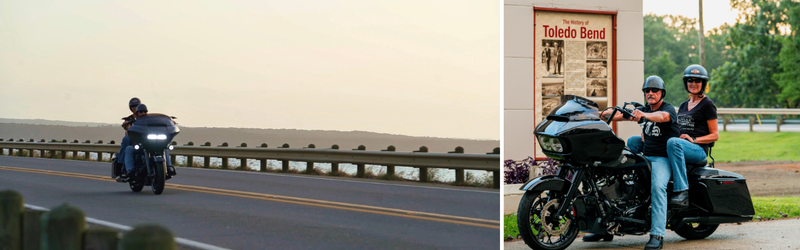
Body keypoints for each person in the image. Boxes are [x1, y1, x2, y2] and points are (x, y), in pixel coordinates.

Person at [585, 76, 680, 250]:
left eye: (654, 90)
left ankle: (657, 234)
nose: (650, 93)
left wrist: (644, 115)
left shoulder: (667, 110)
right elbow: (619, 115)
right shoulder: (643, 109)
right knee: (612, 175)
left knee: (658, 187)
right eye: (647, 91)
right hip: (645, 155)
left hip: (662, 158)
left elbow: (662, 116)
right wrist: (595, 114)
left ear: (662, 93)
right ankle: (604, 228)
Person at [666, 64, 719, 206]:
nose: (693, 84)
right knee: (668, 141)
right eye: (690, 80)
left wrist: (694, 140)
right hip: (682, 146)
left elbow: (715, 135)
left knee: (673, 143)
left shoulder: (707, 104)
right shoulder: (683, 105)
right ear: (686, 83)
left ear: (703, 83)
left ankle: (682, 191)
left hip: (698, 150)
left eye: (697, 81)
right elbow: (677, 129)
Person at [116, 97, 141, 167]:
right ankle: (120, 163)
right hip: (133, 139)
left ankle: (168, 167)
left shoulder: (145, 117)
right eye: (132, 106)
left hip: (144, 138)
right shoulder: (129, 119)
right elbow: (126, 126)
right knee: (126, 139)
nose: (134, 108)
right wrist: (126, 125)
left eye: (136, 106)